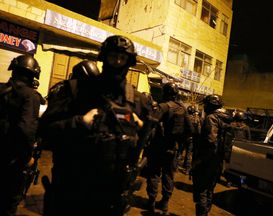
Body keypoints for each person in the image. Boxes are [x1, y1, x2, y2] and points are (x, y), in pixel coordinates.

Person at [39, 35, 153, 216]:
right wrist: (79, 123)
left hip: (110, 197)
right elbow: (44, 131)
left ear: (128, 62)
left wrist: (136, 124)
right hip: (72, 193)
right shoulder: (76, 90)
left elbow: (145, 143)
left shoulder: (137, 101)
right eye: (112, 56)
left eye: (122, 58)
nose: (117, 62)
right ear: (103, 58)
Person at [0, 54, 41, 216]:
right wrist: (27, 157)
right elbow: (26, 129)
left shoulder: (1, 89)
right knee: (8, 202)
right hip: (13, 160)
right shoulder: (31, 96)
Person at [145, 82, 193, 215]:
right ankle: (165, 205)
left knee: (154, 174)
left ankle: (151, 203)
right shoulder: (182, 108)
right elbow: (190, 130)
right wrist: (180, 144)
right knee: (169, 176)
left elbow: (150, 123)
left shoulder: (163, 106)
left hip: (158, 146)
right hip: (173, 148)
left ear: (165, 93)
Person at [192, 94, 232, 216]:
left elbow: (210, 141)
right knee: (210, 189)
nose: (204, 107)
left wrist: (199, 161)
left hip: (208, 160)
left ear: (210, 105)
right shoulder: (226, 119)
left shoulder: (211, 118)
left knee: (202, 190)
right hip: (218, 161)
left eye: (206, 104)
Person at [181, 105, 201, 175]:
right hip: (191, 138)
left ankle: (174, 167)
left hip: (183, 137)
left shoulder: (184, 117)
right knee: (188, 154)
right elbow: (198, 131)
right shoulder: (197, 119)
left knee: (179, 152)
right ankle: (187, 169)